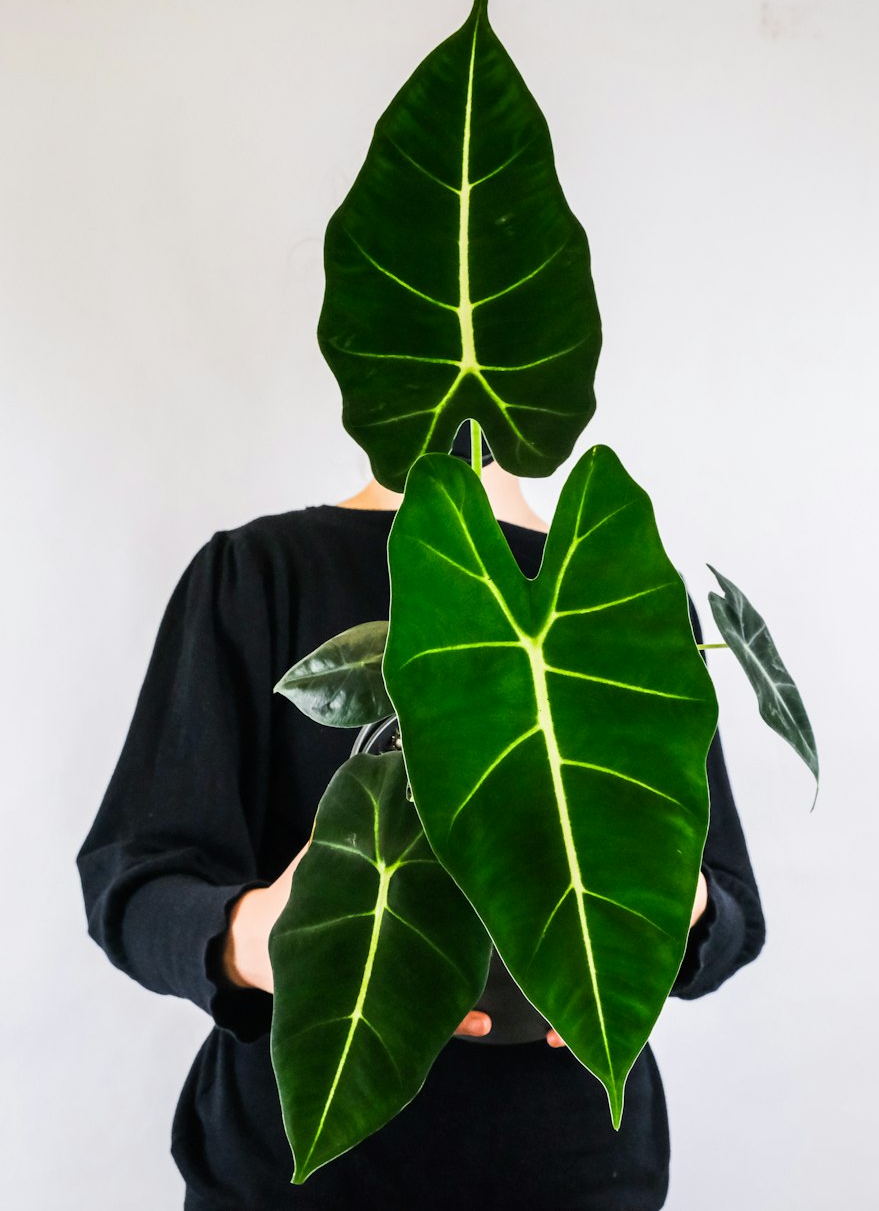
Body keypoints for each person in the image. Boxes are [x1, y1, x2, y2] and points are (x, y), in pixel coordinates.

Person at [78, 452, 765, 1210]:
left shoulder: (626, 595)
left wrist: (667, 910)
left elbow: (731, 911)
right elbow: (133, 879)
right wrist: (257, 939)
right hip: (296, 1176)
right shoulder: (261, 572)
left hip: (572, 1168)